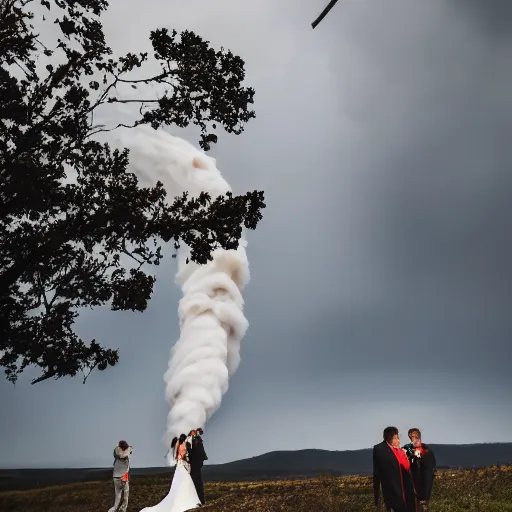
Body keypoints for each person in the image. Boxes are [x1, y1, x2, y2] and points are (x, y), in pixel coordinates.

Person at [139, 433, 201, 512]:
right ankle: (187, 501)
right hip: (182, 464)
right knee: (185, 482)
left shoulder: (178, 445)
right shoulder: (183, 445)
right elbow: (183, 455)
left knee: (179, 483)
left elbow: (177, 456)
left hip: (179, 465)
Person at [373, 426, 415, 512]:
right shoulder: (381, 450)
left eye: (398, 437)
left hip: (405, 488)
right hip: (393, 491)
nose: (398, 440)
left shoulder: (399, 451)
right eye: (396, 438)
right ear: (389, 438)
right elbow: (377, 473)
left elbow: (407, 467)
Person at [402, 428, 437, 512]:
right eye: (412, 435)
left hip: (425, 476)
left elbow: (431, 463)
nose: (414, 437)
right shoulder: (407, 449)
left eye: (416, 435)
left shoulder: (426, 449)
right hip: (413, 477)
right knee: (415, 498)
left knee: (424, 499)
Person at [108, 440, 133, 512]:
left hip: (116, 476)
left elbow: (115, 452)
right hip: (124, 476)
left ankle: (114, 508)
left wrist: (117, 446)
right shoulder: (128, 453)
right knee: (126, 494)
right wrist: (129, 448)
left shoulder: (116, 453)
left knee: (118, 494)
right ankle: (122, 509)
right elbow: (129, 452)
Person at [189, 428, 208, 505]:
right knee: (197, 483)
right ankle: (199, 500)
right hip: (195, 464)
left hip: (194, 464)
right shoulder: (196, 441)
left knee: (196, 483)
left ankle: (199, 500)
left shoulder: (195, 440)